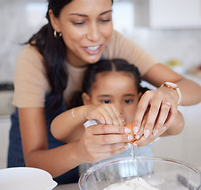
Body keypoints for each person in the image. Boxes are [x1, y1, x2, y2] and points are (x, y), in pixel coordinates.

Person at [8, 0, 201, 184]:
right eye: (79, 22)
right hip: (42, 167)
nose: (95, 36)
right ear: (55, 21)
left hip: (89, 173)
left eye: (105, 19)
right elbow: (34, 161)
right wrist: (80, 151)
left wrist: (170, 93)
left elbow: (196, 91)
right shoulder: (34, 59)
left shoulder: (114, 43)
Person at [50, 59, 185, 173]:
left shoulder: (145, 124)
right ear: (88, 100)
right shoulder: (91, 129)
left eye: (127, 101)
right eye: (106, 101)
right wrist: (85, 111)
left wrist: (162, 108)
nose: (118, 109)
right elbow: (57, 131)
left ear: (139, 99)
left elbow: (178, 126)